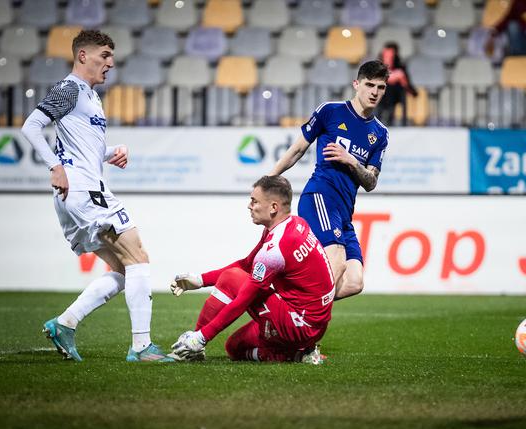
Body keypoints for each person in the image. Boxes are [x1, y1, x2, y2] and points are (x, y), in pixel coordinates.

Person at [20, 30, 172, 362]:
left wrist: (112, 151)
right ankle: (142, 347)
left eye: (111, 57)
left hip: (79, 191)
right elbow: (31, 126)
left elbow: (84, 150)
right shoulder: (70, 88)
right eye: (104, 55)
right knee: (139, 258)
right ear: (83, 56)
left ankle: (65, 323)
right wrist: (54, 166)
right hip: (84, 191)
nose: (110, 63)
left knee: (122, 269)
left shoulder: (90, 95)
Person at [168, 176, 335, 364]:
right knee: (233, 347)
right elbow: (247, 264)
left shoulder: (278, 245)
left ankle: (195, 345)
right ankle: (298, 354)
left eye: (254, 201)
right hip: (311, 324)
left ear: (273, 207)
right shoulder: (294, 224)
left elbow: (243, 298)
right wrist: (200, 280)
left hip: (300, 324)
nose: (249, 206)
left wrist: (202, 337)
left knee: (232, 278)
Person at [269, 60, 389, 300]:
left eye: (381, 87)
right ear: (356, 84)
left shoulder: (380, 133)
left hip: (344, 212)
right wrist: (268, 179)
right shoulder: (331, 111)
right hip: (321, 196)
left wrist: (351, 160)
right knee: (336, 262)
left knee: (354, 282)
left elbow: (371, 182)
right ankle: (299, 328)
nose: (375, 92)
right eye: (369, 85)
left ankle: (288, 303)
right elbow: (296, 150)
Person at [377, 42, 417, 126]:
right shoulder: (377, 66)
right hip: (380, 94)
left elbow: (406, 84)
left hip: (396, 95)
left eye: (391, 54)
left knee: (390, 88)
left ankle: (390, 117)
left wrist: (412, 91)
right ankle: (383, 117)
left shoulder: (400, 67)